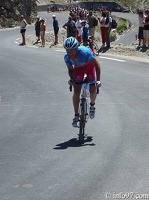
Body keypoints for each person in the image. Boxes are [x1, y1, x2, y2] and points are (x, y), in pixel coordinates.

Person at [63, 37, 101, 127]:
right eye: (67, 50)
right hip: (78, 70)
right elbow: (71, 69)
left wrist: (98, 80)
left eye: (71, 50)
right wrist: (71, 79)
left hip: (89, 68)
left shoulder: (85, 52)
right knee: (76, 92)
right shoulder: (67, 58)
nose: (69, 53)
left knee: (92, 89)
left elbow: (97, 65)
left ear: (76, 48)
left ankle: (92, 105)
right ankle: (76, 115)